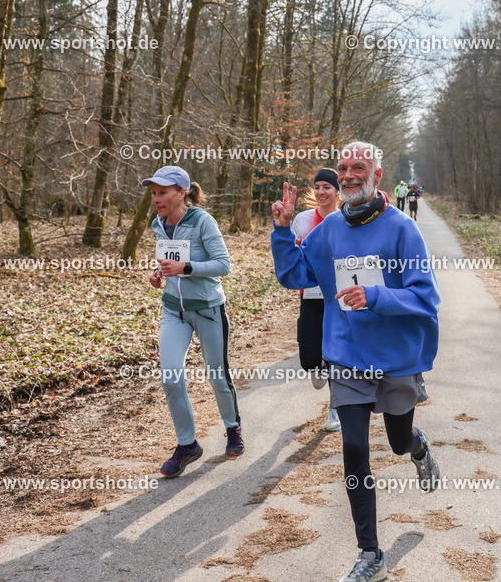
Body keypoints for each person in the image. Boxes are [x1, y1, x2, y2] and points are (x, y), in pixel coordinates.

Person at [270, 142, 441, 582]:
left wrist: (376, 295)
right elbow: (295, 276)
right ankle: (370, 553)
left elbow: (426, 297)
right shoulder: (327, 231)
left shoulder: (402, 228)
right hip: (346, 354)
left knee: (397, 440)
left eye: (357, 168)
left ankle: (417, 446)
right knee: (354, 450)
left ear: (377, 175)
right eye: (342, 168)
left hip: (396, 356)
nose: (347, 175)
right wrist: (282, 232)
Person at [144, 165, 244, 478]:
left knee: (217, 375)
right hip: (174, 310)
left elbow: (223, 265)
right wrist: (160, 273)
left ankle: (233, 427)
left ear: (181, 193)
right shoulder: (157, 222)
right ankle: (187, 445)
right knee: (170, 376)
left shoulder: (202, 221)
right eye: (154, 193)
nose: (156, 198)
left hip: (208, 309)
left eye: (162, 192)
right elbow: (167, 257)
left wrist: (186, 268)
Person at [290, 168, 342, 432]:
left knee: (337, 354)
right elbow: (291, 256)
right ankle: (316, 366)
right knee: (309, 355)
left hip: (338, 296)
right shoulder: (302, 220)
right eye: (318, 187)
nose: (321, 192)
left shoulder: (346, 219)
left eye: (327, 187)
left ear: (337, 192)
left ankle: (335, 410)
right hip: (310, 294)